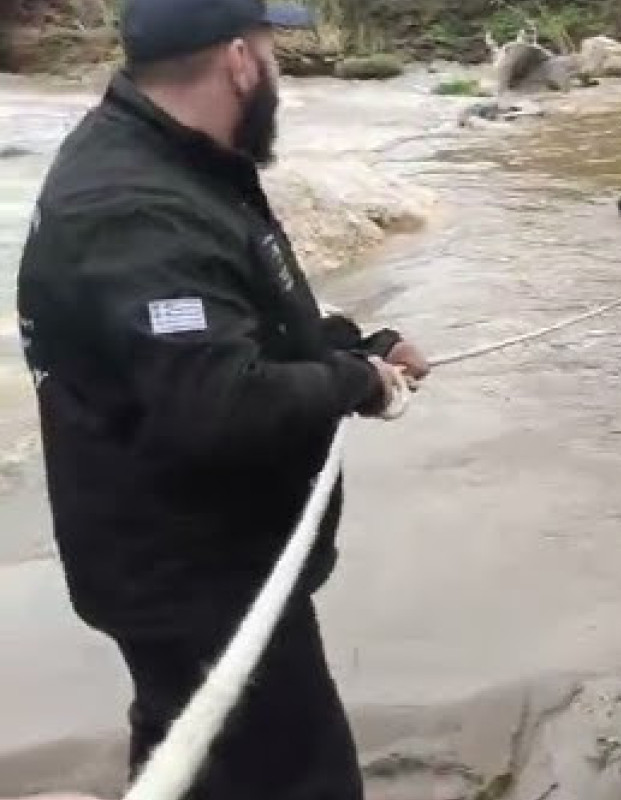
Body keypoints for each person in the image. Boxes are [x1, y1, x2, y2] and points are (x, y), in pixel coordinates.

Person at [14, 1, 429, 798]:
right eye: (272, 52)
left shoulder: (177, 165)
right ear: (239, 61)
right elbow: (218, 404)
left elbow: (235, 321)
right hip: (195, 580)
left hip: (205, 563)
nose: (276, 72)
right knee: (303, 780)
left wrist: (355, 346)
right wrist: (358, 386)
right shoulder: (132, 209)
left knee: (201, 758)